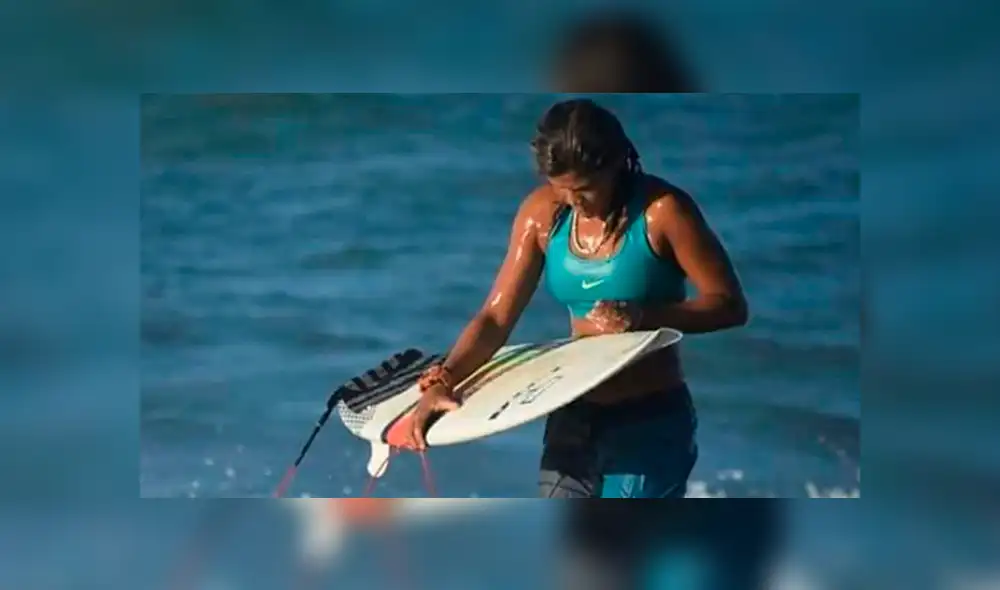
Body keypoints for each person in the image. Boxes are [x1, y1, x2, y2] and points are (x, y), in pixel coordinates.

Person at [401, 98, 748, 498]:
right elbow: (496, 317)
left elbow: (729, 304)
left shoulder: (663, 212)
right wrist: (443, 382)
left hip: (649, 420)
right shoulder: (541, 214)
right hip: (573, 412)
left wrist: (643, 315)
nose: (574, 202)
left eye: (584, 189)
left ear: (617, 164)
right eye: (561, 189)